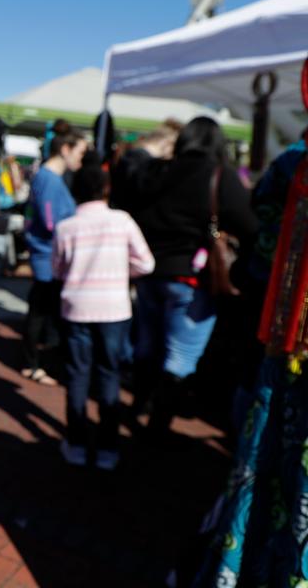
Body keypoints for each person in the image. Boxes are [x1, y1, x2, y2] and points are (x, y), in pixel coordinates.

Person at [131, 117, 258, 436]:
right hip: (190, 277)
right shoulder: (219, 176)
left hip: (148, 274)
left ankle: (138, 407)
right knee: (180, 357)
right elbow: (250, 225)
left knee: (148, 346)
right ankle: (157, 428)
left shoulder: (159, 170)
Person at [53, 166, 155, 469]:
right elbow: (146, 263)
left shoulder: (66, 227)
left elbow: (57, 270)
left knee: (77, 374)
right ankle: (109, 448)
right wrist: (122, 274)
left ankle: (76, 443)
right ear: (106, 188)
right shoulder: (121, 221)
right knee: (109, 374)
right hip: (113, 308)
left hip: (76, 308)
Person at [21, 122, 87, 385]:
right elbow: (51, 223)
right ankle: (32, 363)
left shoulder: (50, 178)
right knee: (40, 310)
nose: (81, 159)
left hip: (50, 256)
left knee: (42, 310)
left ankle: (35, 362)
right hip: (47, 257)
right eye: (80, 152)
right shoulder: (49, 179)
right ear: (66, 149)